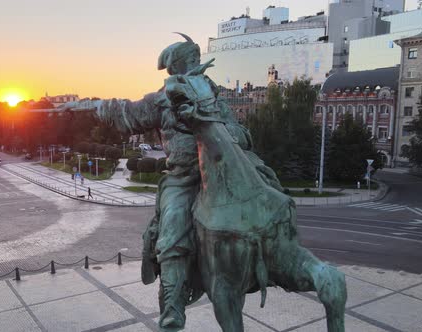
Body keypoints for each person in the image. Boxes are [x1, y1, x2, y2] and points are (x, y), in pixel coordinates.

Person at [65, 33, 281, 331]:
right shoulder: (161, 100)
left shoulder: (212, 94)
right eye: (189, 61)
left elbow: (242, 133)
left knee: (271, 191)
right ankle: (173, 306)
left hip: (223, 170)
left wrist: (226, 133)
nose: (196, 65)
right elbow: (127, 112)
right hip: (183, 178)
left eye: (196, 59)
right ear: (177, 67)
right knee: (173, 229)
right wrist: (96, 106)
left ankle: (279, 255)